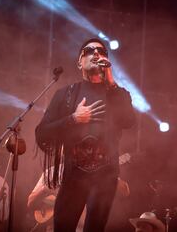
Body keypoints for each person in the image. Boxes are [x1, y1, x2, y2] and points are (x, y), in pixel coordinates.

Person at [35, 38, 135, 231]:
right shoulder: (65, 94)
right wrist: (73, 119)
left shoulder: (118, 94)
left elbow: (129, 121)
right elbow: (42, 133)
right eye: (89, 51)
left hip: (105, 178)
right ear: (79, 62)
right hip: (73, 176)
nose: (96, 53)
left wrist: (111, 82)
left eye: (101, 51)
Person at [27, 162, 131, 231]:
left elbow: (125, 191)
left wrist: (106, 176)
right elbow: (30, 202)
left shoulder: (94, 170)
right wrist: (45, 189)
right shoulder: (51, 172)